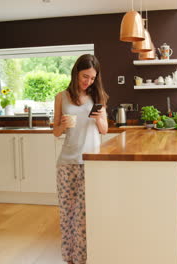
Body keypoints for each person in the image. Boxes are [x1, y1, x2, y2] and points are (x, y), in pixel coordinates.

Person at [52, 54, 109, 264]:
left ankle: (85, 257)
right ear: (76, 73)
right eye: (85, 76)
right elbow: (55, 132)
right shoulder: (61, 97)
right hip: (67, 162)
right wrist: (63, 125)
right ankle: (70, 258)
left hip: (91, 162)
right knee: (68, 214)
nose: (88, 82)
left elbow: (104, 131)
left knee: (85, 216)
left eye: (92, 78)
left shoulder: (98, 97)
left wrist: (101, 118)